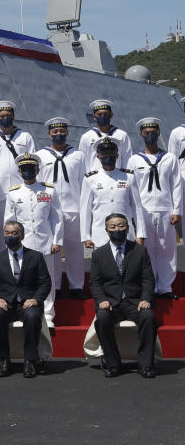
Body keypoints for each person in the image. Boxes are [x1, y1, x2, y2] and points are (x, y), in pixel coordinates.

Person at [90, 213, 157, 378]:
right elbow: (95, 283)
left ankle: (146, 364)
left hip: (134, 302)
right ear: (107, 230)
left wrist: (145, 299)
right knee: (102, 319)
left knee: (149, 317)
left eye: (121, 226)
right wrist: (102, 300)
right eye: (113, 227)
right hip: (111, 303)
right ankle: (113, 363)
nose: (117, 229)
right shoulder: (99, 254)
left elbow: (148, 279)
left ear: (128, 228)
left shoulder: (139, 251)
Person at [0, 221, 52, 378]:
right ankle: (3, 359)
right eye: (7, 233)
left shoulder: (35, 256)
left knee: (33, 316)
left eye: (14, 233)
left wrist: (36, 299)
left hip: (28, 303)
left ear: (22, 235)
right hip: (6, 303)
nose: (10, 236)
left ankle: (30, 360)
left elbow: (45, 282)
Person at [4, 153, 63, 326]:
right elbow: (9, 220)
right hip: (23, 244)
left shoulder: (49, 190)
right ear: (20, 172)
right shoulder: (14, 192)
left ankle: (48, 314)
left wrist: (57, 241)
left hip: (45, 242)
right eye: (24, 169)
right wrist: (11, 242)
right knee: (24, 278)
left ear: (37, 170)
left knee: (48, 279)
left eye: (31, 168)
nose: (28, 172)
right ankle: (25, 308)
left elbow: (56, 217)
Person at [126, 117, 182, 298]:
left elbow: (176, 185)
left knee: (167, 249)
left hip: (165, 209)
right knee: (146, 250)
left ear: (158, 133)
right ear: (141, 134)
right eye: (146, 133)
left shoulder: (170, 158)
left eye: (153, 132)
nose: (150, 135)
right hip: (144, 211)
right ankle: (148, 287)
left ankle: (165, 287)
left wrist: (177, 210)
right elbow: (131, 189)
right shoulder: (134, 160)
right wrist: (133, 214)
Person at [36, 117, 89, 299]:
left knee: (75, 250)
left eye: (62, 131)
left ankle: (76, 286)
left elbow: (84, 183)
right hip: (51, 210)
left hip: (74, 207)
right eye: (55, 131)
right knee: (53, 251)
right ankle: (55, 286)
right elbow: (39, 184)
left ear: (67, 132)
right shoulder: (40, 156)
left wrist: (85, 208)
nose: (58, 134)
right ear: (49, 133)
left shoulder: (78, 155)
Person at [0, 101, 35, 252]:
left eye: (8, 116)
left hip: (21, 190)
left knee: (23, 224)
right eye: (2, 116)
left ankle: (25, 257)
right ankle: (3, 261)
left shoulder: (25, 137)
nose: (5, 118)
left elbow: (34, 164)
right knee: (0, 229)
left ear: (13, 116)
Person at [80, 137, 146, 248]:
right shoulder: (90, 179)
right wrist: (86, 237)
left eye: (111, 153)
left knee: (128, 264)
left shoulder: (128, 177)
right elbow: (85, 210)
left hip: (125, 233)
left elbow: (137, 207)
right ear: (98, 157)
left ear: (117, 155)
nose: (108, 156)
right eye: (104, 154)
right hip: (100, 235)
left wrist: (141, 234)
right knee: (103, 265)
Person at [79, 99, 133, 172]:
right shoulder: (86, 136)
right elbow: (83, 161)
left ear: (111, 115)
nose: (103, 116)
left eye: (105, 114)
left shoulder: (122, 135)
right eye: (99, 114)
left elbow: (127, 159)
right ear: (94, 116)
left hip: (117, 177)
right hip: (95, 179)